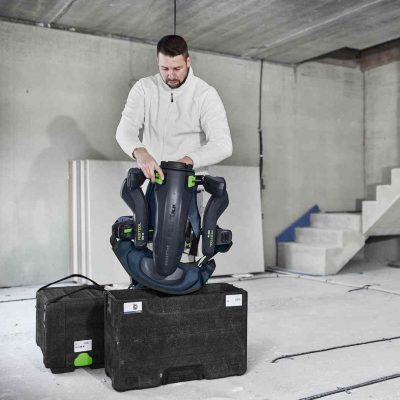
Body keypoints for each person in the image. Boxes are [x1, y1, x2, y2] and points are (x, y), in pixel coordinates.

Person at [116, 35, 233, 182]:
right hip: (151, 184)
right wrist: (141, 153)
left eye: (177, 68)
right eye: (164, 68)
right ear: (158, 62)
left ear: (188, 62)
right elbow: (125, 130)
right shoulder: (144, 88)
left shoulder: (205, 94)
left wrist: (183, 164)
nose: (171, 75)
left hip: (190, 185)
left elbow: (223, 145)